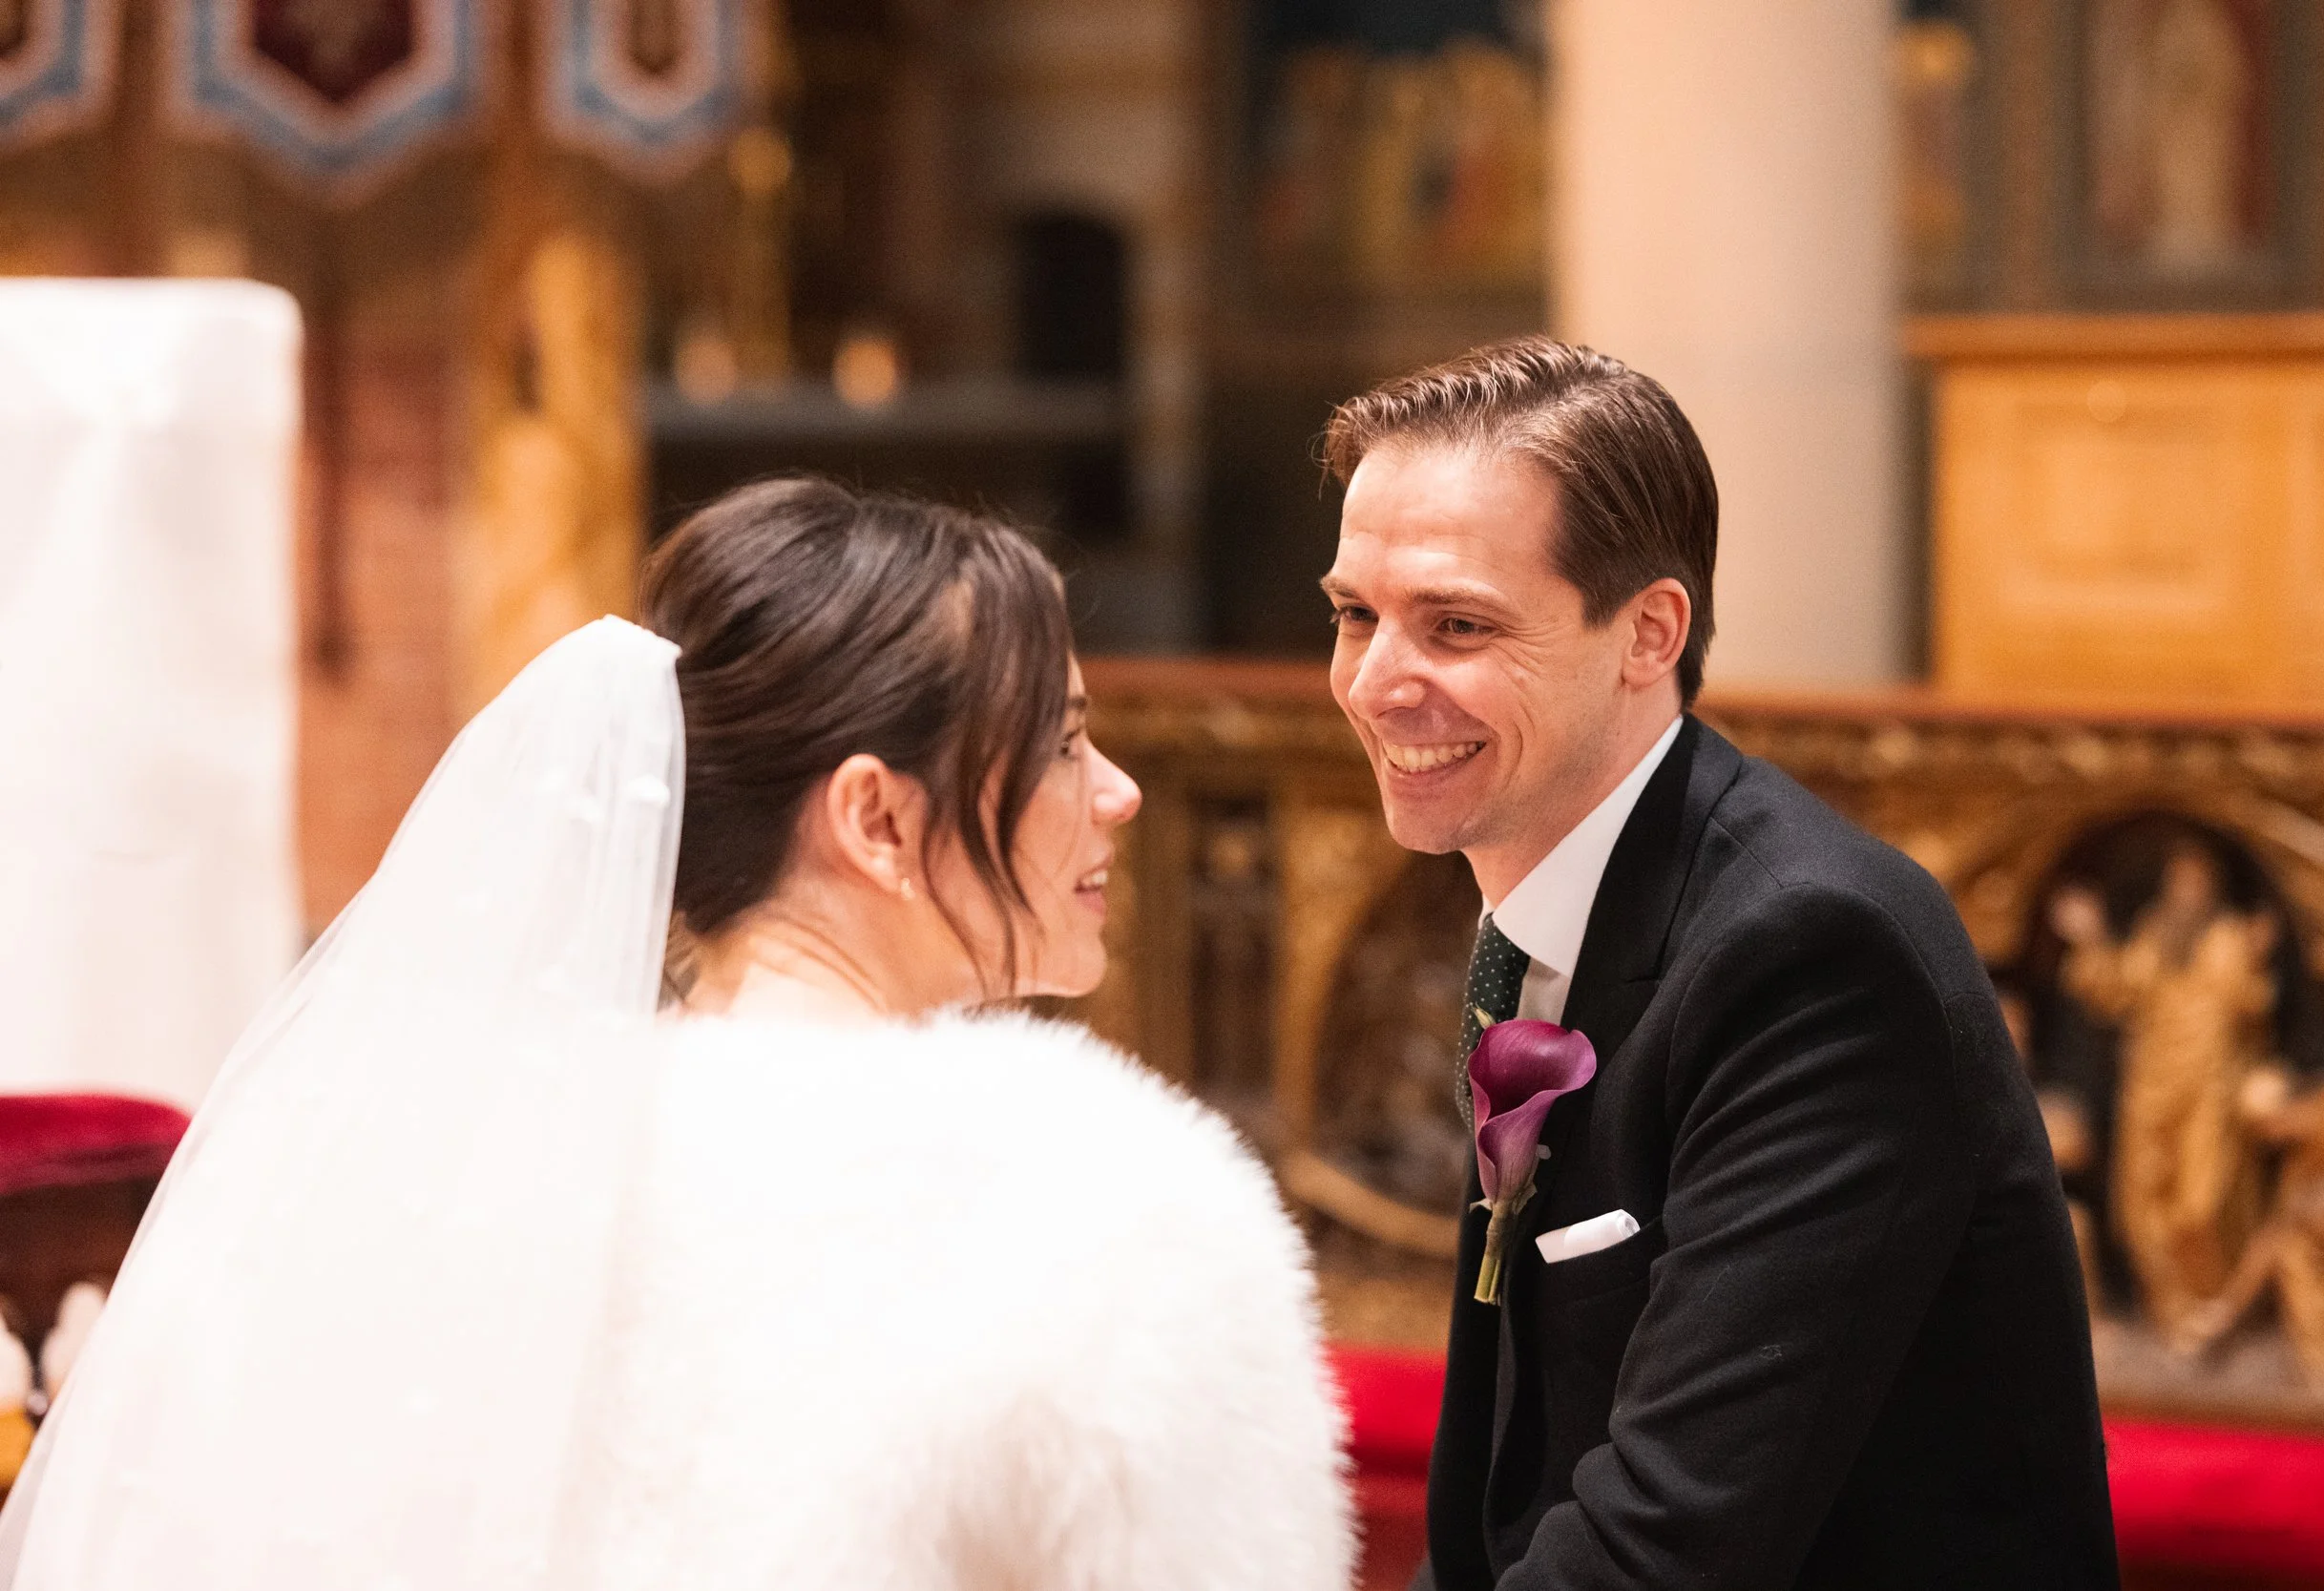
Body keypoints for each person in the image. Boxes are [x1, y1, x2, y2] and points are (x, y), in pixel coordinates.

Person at [0, 479, 1353, 1591]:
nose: (1114, 793)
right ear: (875, 818)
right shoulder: (1105, 1203)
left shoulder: (452, 1160)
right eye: (1060, 743)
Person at [1318, 338, 2117, 1589]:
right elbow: (1497, 1505)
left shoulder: (1812, 955)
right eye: (1354, 613)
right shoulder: (1538, 903)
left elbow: (1671, 1538)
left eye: (1456, 625)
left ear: (1649, 632)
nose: (1371, 682)